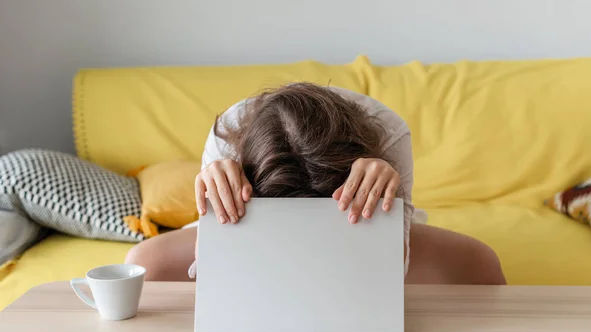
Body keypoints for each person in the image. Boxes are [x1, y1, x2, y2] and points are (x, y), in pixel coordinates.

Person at [125, 83, 505, 285]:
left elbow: (394, 261)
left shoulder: (388, 132)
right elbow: (217, 264)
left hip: (355, 222)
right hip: (255, 230)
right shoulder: (227, 133)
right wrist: (214, 199)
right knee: (140, 263)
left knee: (482, 263)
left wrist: (388, 194)